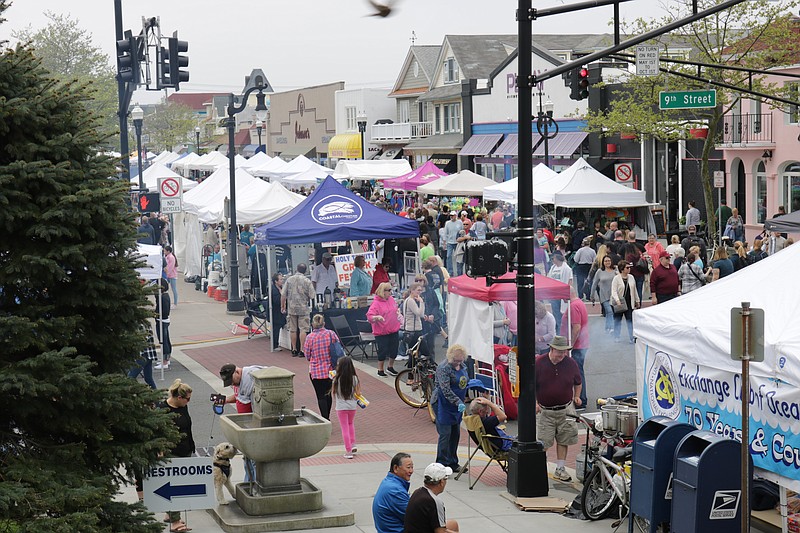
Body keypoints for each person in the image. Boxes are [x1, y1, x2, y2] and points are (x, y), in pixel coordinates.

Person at [535, 336, 582, 482]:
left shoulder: (570, 363)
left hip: (566, 409)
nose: (562, 355)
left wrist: (577, 396)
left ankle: (560, 469)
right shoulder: (539, 363)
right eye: (559, 352)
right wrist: (535, 402)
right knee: (543, 442)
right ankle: (539, 469)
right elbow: (531, 385)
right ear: (552, 349)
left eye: (564, 352)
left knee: (564, 439)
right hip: (545, 411)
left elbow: (578, 382)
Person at [220, 363, 266, 481]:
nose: (232, 384)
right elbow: (238, 396)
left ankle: (255, 484)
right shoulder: (240, 382)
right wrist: (224, 400)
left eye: (232, 380)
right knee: (247, 459)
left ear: (237, 372)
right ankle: (248, 482)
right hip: (246, 426)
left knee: (253, 460)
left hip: (254, 426)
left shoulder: (250, 378)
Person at [159, 379, 194, 533]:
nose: (189, 402)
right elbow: (157, 430)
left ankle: (169, 514)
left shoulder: (182, 406)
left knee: (180, 485)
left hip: (186, 449)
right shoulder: (162, 409)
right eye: (188, 399)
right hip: (172, 452)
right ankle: (175, 521)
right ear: (179, 398)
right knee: (174, 487)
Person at [432, 344, 469, 471]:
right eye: (455, 360)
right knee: (445, 434)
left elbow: (464, 383)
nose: (457, 363)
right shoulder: (444, 368)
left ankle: (453, 462)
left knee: (455, 434)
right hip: (443, 404)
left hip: (456, 405)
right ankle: (441, 464)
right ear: (450, 357)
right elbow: (445, 390)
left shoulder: (463, 366)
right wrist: (458, 401)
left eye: (460, 360)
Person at [404, 463, 460, 533]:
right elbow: (440, 531)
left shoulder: (417, 492)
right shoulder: (435, 501)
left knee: (453, 524)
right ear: (442, 482)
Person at [303, 314, 338, 420]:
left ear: (312, 325)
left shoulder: (309, 337)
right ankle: (327, 416)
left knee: (320, 395)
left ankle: (325, 418)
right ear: (324, 324)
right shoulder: (331, 334)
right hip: (330, 370)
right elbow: (338, 348)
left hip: (315, 371)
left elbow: (307, 355)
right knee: (328, 394)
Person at [561, 285, 589, 407]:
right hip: (581, 344)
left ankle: (581, 399)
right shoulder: (579, 303)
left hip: (577, 345)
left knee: (577, 372)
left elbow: (576, 327)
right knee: (578, 371)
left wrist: (570, 345)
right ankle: (580, 398)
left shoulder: (573, 306)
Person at [367, 282, 402, 378]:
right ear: (383, 291)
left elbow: (395, 308)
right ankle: (380, 369)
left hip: (393, 329)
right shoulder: (376, 303)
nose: (391, 292)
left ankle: (390, 367)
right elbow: (369, 317)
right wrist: (377, 317)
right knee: (383, 350)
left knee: (394, 350)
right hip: (381, 332)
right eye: (389, 290)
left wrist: (398, 312)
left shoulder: (391, 300)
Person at [373, 453, 414, 533]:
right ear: (395, 468)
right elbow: (414, 517)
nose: (411, 471)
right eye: (408, 467)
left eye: (412, 467)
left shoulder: (388, 482)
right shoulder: (395, 491)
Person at [281, 263, 315, 357]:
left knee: (293, 329)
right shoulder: (307, 281)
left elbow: (283, 294)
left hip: (291, 308)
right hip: (303, 308)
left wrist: (282, 306)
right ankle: (302, 350)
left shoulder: (289, 280)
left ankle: (294, 349)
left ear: (297, 269)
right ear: (305, 271)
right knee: (303, 329)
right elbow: (312, 295)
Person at [332, 356, 361, 459]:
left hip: (341, 407)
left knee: (344, 428)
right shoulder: (355, 378)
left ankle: (348, 451)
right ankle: (353, 444)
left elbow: (333, 392)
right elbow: (358, 392)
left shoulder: (336, 379)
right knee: (350, 424)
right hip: (352, 406)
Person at [610, 260, 640, 344]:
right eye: (627, 267)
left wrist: (637, 300)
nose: (629, 269)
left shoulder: (631, 277)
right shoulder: (616, 278)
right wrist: (617, 300)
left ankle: (632, 337)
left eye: (629, 267)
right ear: (622, 269)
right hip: (620, 302)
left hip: (629, 301)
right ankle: (617, 336)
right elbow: (614, 291)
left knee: (630, 320)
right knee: (617, 319)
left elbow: (634, 290)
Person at [402, 282, 428, 364]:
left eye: (421, 290)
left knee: (414, 354)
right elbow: (420, 313)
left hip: (411, 330)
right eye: (418, 290)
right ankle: (411, 373)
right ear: (412, 291)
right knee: (424, 352)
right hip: (414, 330)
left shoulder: (408, 300)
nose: (420, 292)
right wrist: (421, 302)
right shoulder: (410, 301)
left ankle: (412, 373)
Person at [546, 251, 572, 334]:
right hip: (554, 295)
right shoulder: (553, 268)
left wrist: (568, 293)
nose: (552, 260)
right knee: (556, 315)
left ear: (557, 258)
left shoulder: (567, 268)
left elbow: (570, 281)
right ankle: (558, 332)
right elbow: (548, 279)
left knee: (563, 315)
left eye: (553, 258)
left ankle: (562, 333)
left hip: (562, 294)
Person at [590, 255, 616, 334]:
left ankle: (607, 328)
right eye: (605, 261)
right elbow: (594, 283)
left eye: (609, 261)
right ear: (603, 262)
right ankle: (611, 328)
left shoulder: (615, 270)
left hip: (614, 295)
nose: (607, 262)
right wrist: (592, 295)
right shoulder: (599, 271)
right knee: (609, 311)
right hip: (604, 295)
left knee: (610, 313)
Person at [128, 323, 157, 389]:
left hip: (143, 355)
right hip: (148, 354)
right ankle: (156, 395)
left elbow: (141, 339)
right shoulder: (144, 323)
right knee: (148, 378)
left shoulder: (140, 325)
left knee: (130, 377)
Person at [154, 279, 172, 370]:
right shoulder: (164, 296)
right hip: (164, 320)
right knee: (166, 340)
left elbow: (164, 311)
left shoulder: (163, 298)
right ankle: (166, 359)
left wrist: (157, 315)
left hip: (162, 320)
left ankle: (165, 361)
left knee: (163, 341)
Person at [270, 272, 286, 351]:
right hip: (275, 312)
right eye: (280, 279)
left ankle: (276, 343)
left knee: (278, 327)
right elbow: (276, 301)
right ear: (276, 281)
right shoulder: (274, 290)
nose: (282, 281)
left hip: (280, 311)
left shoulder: (281, 288)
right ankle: (274, 344)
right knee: (276, 328)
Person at [443, 212, 462, 276]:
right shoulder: (447, 223)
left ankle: (459, 271)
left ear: (455, 216)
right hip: (450, 242)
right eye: (451, 215)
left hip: (457, 242)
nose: (451, 217)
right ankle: (450, 271)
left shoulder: (459, 222)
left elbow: (462, 231)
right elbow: (445, 233)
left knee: (458, 257)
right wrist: (444, 242)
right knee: (448, 256)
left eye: (453, 215)